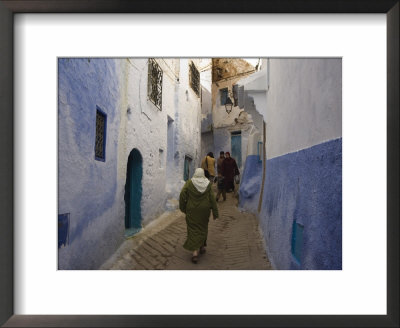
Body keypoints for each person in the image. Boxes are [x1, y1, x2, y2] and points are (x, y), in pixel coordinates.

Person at [179, 168, 219, 264]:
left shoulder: (189, 183)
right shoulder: (208, 184)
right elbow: (212, 199)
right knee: (203, 228)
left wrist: (183, 207)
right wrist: (215, 212)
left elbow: (182, 195)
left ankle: (195, 253)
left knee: (193, 229)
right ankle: (201, 246)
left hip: (192, 210)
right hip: (204, 211)